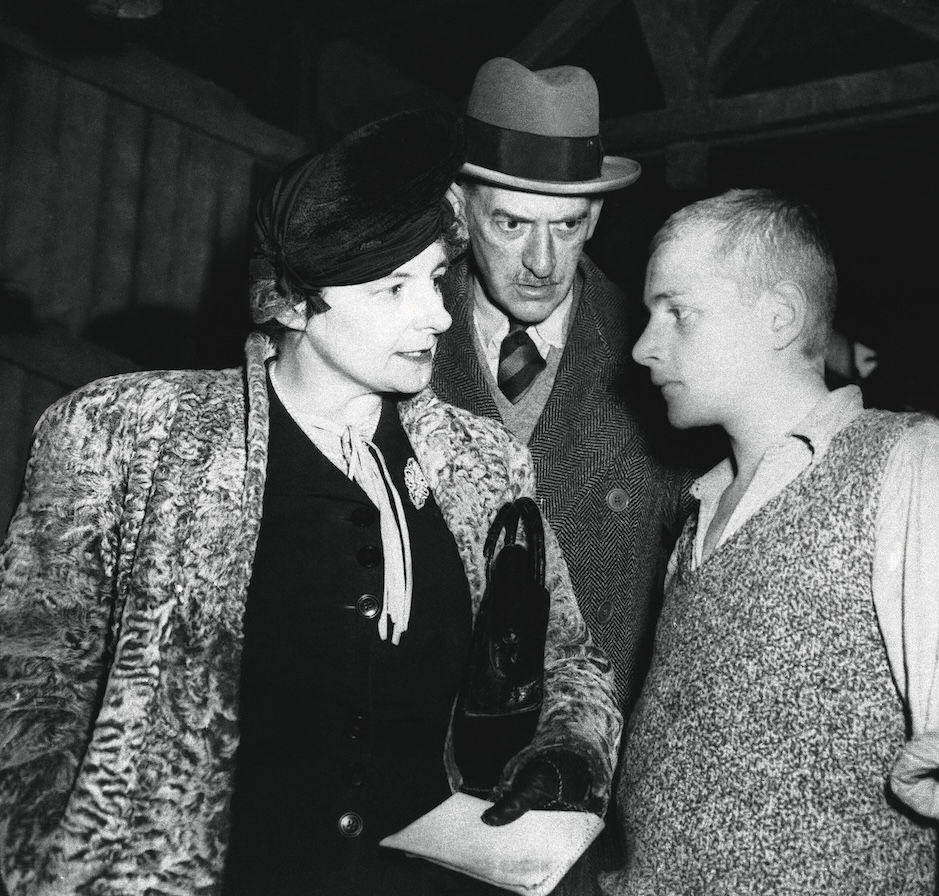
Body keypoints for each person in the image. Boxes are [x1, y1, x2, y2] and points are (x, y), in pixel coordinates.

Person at [0, 108, 621, 896]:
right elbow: (30, 696)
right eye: (394, 288)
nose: (434, 314)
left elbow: (566, 659)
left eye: (433, 280)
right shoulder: (126, 436)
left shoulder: (484, 464)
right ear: (292, 303)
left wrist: (564, 753)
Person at [601, 189, 939, 895]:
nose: (642, 346)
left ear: (779, 316)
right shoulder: (697, 518)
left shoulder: (910, 465)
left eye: (677, 312)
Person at [432, 58, 700, 719]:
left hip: (586, 772)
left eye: (568, 225)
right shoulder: (389, 337)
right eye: (512, 224)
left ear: (597, 216)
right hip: (410, 769)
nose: (543, 264)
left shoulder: (667, 367)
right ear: (458, 208)